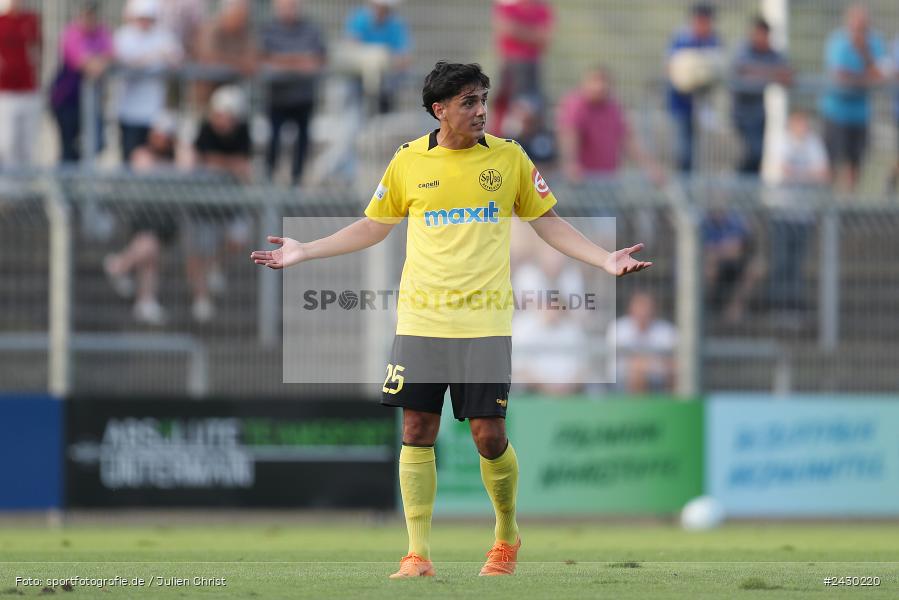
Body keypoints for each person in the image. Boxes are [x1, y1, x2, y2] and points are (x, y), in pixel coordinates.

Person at [251, 61, 651, 578]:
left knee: (488, 435)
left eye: (482, 99)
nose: (481, 110)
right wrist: (306, 251)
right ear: (439, 110)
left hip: (484, 323)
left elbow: (548, 225)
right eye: (468, 102)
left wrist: (603, 258)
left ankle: (506, 537)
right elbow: (373, 227)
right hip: (420, 319)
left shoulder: (509, 159)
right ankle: (417, 554)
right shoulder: (408, 161)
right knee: (416, 426)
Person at [104, 112, 182, 325]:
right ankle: (119, 267)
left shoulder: (176, 156)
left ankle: (142, 297)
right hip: (144, 213)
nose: (163, 139)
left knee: (152, 256)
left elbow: (186, 168)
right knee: (149, 247)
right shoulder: (142, 152)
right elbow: (147, 170)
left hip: (165, 217)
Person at [185, 85, 253, 322]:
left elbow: (244, 168)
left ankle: (215, 266)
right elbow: (201, 162)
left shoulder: (242, 132)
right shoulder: (204, 130)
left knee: (238, 238)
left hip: (229, 203)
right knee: (198, 251)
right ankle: (200, 298)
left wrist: (220, 164)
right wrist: (228, 165)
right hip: (202, 204)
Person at [766, 110, 829, 316]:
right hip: (782, 213)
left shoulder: (813, 143)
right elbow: (782, 171)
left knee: (797, 263)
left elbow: (823, 174)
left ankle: (793, 305)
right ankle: (778, 305)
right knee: (782, 261)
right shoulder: (781, 142)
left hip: (804, 215)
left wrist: (798, 174)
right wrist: (807, 175)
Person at [558, 65, 664, 186]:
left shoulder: (614, 108)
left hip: (608, 181)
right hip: (583, 182)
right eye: (595, 81)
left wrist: (650, 167)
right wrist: (571, 163)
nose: (599, 87)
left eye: (603, 81)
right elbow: (569, 134)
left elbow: (628, 141)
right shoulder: (576, 105)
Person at [819, 3, 886, 193]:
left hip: (860, 115)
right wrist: (864, 79)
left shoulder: (874, 42)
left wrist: (863, 52)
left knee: (854, 165)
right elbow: (840, 76)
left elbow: (879, 74)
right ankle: (829, 209)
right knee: (832, 163)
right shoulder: (837, 40)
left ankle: (847, 208)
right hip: (835, 113)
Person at [261, 0, 327, 185]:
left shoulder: (311, 29)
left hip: (303, 98)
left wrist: (283, 62)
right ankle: (269, 182)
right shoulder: (269, 29)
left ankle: (296, 183)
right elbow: (264, 60)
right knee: (273, 141)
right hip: (277, 98)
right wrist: (299, 61)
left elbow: (316, 61)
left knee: (303, 142)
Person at [114, 0, 183, 164]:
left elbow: (177, 59)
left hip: (156, 113)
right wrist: (154, 56)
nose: (145, 23)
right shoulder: (124, 36)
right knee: (130, 157)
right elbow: (126, 62)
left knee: (157, 157)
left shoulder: (163, 35)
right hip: (129, 111)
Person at [52, 1, 114, 163]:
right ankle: (67, 184)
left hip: (91, 101)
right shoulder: (71, 33)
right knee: (68, 146)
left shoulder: (101, 32)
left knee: (98, 142)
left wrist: (99, 62)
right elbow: (83, 63)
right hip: (67, 100)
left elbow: (111, 55)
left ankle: (81, 174)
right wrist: (99, 62)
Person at [731, 17, 792, 175]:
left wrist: (762, 73)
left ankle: (747, 193)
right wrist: (771, 73)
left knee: (757, 155)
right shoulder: (743, 49)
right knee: (748, 153)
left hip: (758, 114)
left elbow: (788, 75)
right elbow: (743, 70)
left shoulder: (771, 53)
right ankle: (738, 190)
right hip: (740, 114)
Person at [666, 2, 722, 173]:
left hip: (705, 106)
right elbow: (672, 69)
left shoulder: (714, 41)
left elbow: (719, 69)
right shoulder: (681, 39)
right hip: (682, 106)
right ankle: (684, 193)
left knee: (707, 155)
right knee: (685, 153)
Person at [492, 0, 554, 136]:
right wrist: (533, 35)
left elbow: (545, 38)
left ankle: (525, 140)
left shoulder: (541, 8)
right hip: (510, 62)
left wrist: (517, 31)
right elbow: (504, 28)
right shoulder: (508, 4)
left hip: (531, 64)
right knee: (504, 105)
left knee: (531, 106)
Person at [344, 0, 411, 113]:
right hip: (358, 80)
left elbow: (404, 56)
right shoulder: (359, 19)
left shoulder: (396, 23)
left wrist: (386, 62)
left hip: (387, 80)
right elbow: (351, 46)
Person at [701, 204, 763, 325]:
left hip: (734, 263)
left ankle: (734, 310)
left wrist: (717, 251)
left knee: (757, 268)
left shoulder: (735, 221)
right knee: (709, 267)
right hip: (711, 263)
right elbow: (703, 251)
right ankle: (705, 308)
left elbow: (738, 249)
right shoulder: (702, 222)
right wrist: (725, 249)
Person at [607, 292, 676, 393]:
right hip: (623, 377)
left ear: (654, 310)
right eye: (640, 307)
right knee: (637, 372)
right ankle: (638, 408)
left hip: (659, 375)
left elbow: (674, 362)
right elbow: (626, 363)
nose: (643, 312)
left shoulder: (666, 330)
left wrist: (647, 364)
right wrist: (650, 363)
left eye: (647, 308)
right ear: (631, 309)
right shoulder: (618, 328)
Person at [0, 0, 41, 169]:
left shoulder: (31, 19)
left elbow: (37, 48)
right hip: (6, 91)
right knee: (7, 142)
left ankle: (24, 189)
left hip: (28, 89)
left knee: (27, 145)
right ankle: (9, 189)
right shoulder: (2, 21)